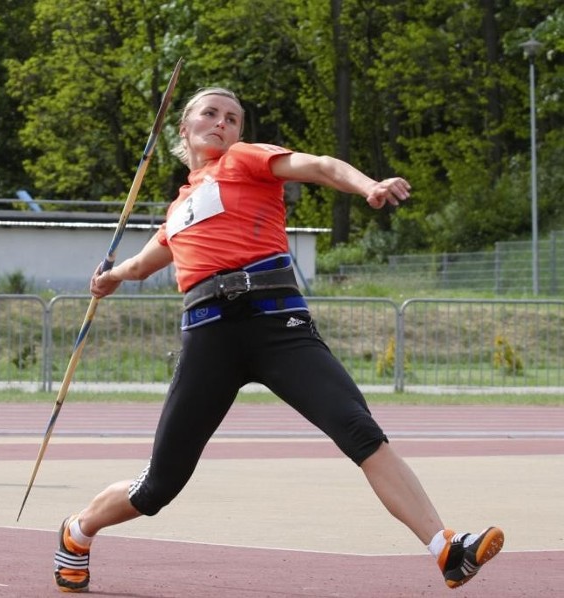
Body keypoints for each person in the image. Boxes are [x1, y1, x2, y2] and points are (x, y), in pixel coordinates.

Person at [53, 87, 504, 593]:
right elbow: (142, 263)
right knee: (159, 486)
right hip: (209, 340)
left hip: (280, 328)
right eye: (210, 113)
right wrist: (110, 278)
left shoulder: (246, 160)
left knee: (359, 430)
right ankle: (78, 530)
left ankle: (445, 546)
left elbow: (321, 166)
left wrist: (367, 186)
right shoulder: (178, 212)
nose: (222, 123)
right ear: (185, 128)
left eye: (232, 118)